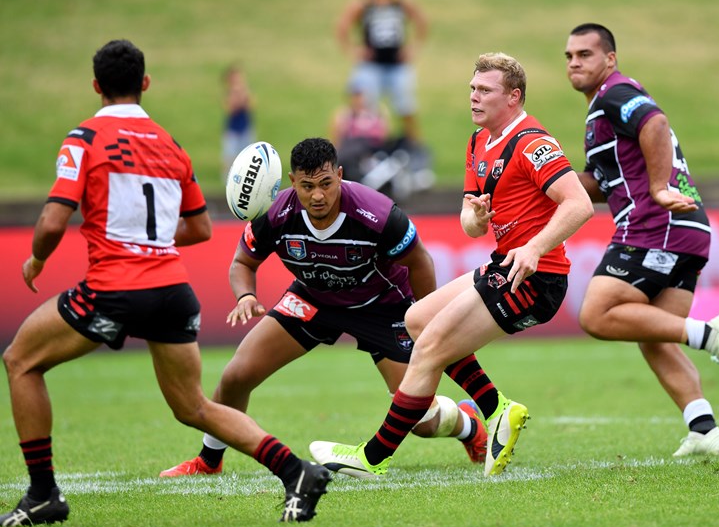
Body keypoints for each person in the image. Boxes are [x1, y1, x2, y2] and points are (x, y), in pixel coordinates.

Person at [0, 40, 329, 527]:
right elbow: (199, 228)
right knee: (192, 406)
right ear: (145, 84)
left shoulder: (84, 137)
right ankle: (296, 471)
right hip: (173, 291)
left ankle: (44, 493)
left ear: (95, 86)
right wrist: (148, 238)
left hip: (114, 285)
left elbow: (52, 222)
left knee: (20, 361)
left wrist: (35, 260)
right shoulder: (169, 144)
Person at [309, 52, 594, 478]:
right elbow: (469, 223)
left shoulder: (533, 142)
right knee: (418, 319)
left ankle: (372, 458)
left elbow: (580, 204)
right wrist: (476, 217)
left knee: (430, 348)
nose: (474, 98)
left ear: (513, 97)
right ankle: (498, 410)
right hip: (505, 266)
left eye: (485, 91)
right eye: (472, 89)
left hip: (536, 277)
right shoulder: (479, 141)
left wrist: (535, 247)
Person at [159, 137, 489, 480]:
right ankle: (209, 461)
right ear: (291, 182)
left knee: (421, 420)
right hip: (312, 300)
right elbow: (242, 261)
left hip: (382, 307)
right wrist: (245, 296)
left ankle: (468, 425)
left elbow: (419, 261)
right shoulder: (275, 212)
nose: (317, 195)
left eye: (326, 184)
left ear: (340, 175)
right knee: (236, 376)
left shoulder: (375, 212)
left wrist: (424, 318)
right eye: (307, 186)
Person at [564, 23, 719, 456]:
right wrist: (545, 185)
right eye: (569, 56)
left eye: (585, 54)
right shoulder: (600, 109)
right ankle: (704, 428)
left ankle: (709, 333)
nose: (574, 62)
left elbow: (656, 123)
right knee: (654, 336)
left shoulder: (614, 93)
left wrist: (661, 187)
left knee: (596, 313)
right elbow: (600, 182)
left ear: (610, 59)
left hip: (656, 223)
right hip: (685, 228)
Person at [337, 0, 427, 145]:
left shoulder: (400, 1)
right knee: (362, 110)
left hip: (397, 65)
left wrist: (413, 48)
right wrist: (354, 50)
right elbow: (342, 27)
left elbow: (422, 23)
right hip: (371, 66)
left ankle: (416, 151)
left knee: (406, 109)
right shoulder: (363, 2)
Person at [329, 78, 390, 183]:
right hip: (351, 155)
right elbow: (336, 141)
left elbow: (385, 138)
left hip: (373, 152)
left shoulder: (379, 112)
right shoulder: (344, 114)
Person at [221, 64, 255, 179]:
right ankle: (228, 180)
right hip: (233, 129)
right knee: (230, 157)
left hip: (245, 128)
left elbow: (251, 105)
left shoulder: (244, 91)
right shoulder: (229, 93)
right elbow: (231, 108)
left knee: (248, 157)